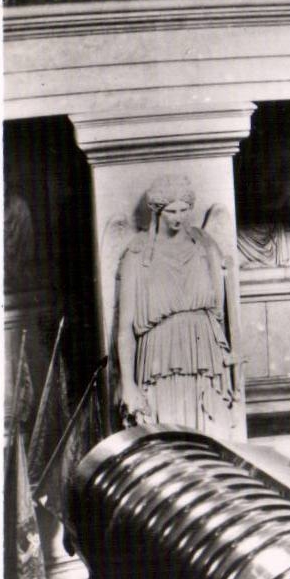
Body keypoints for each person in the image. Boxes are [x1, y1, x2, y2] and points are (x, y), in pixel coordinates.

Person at [114, 173, 243, 440]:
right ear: (157, 211)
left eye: (184, 210)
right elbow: (125, 328)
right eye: (171, 210)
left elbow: (221, 312)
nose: (178, 217)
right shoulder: (137, 255)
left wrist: (230, 361)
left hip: (204, 352)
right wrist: (128, 384)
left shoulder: (204, 245)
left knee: (211, 435)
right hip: (161, 358)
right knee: (170, 437)